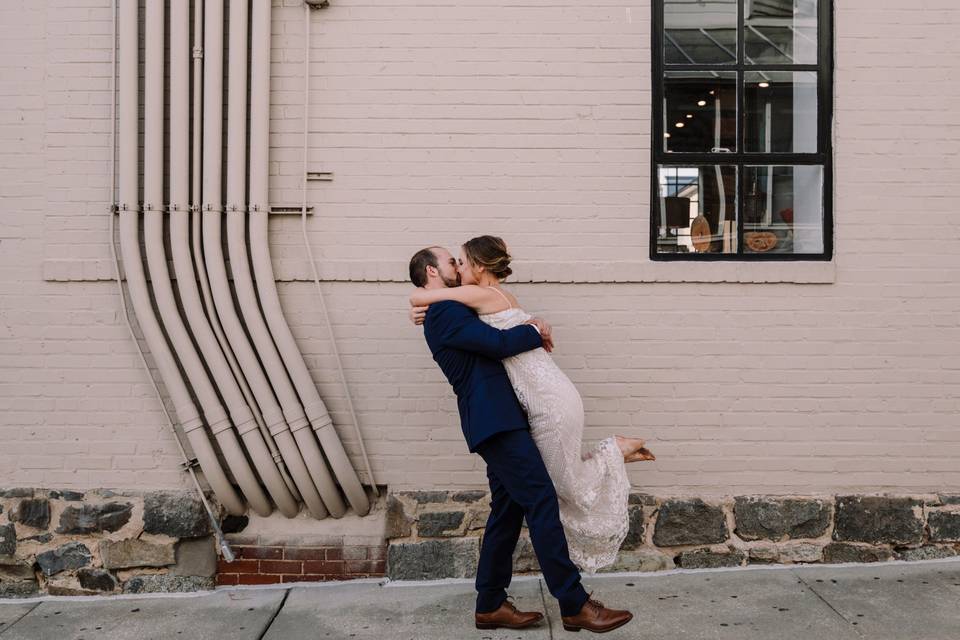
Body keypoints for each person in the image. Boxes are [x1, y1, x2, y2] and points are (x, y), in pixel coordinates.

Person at [409, 245, 635, 634]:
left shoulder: (449, 306)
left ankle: (490, 604)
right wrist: (532, 329)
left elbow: (494, 326)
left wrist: (531, 320)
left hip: (502, 420)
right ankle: (574, 603)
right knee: (541, 499)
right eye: (450, 261)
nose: (457, 266)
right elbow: (498, 345)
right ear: (432, 272)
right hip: (495, 423)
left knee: (508, 511)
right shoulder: (445, 311)